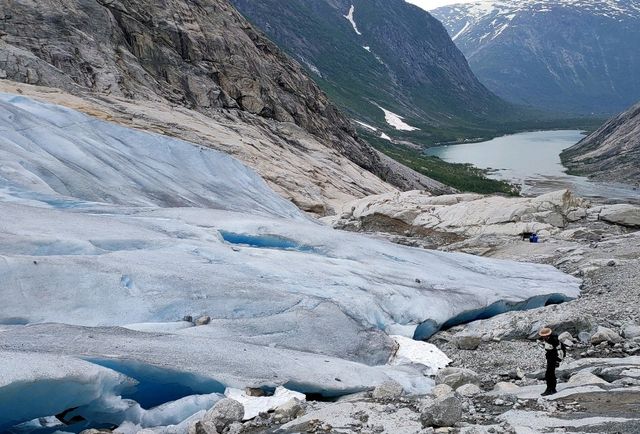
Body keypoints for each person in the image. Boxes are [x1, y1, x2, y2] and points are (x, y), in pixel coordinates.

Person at [538, 327, 566, 396]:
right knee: (551, 374)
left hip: (553, 358)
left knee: (549, 374)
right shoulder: (550, 338)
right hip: (551, 357)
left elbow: (559, 350)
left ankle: (549, 389)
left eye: (543, 336)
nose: (543, 337)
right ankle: (552, 389)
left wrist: (558, 360)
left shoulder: (553, 340)